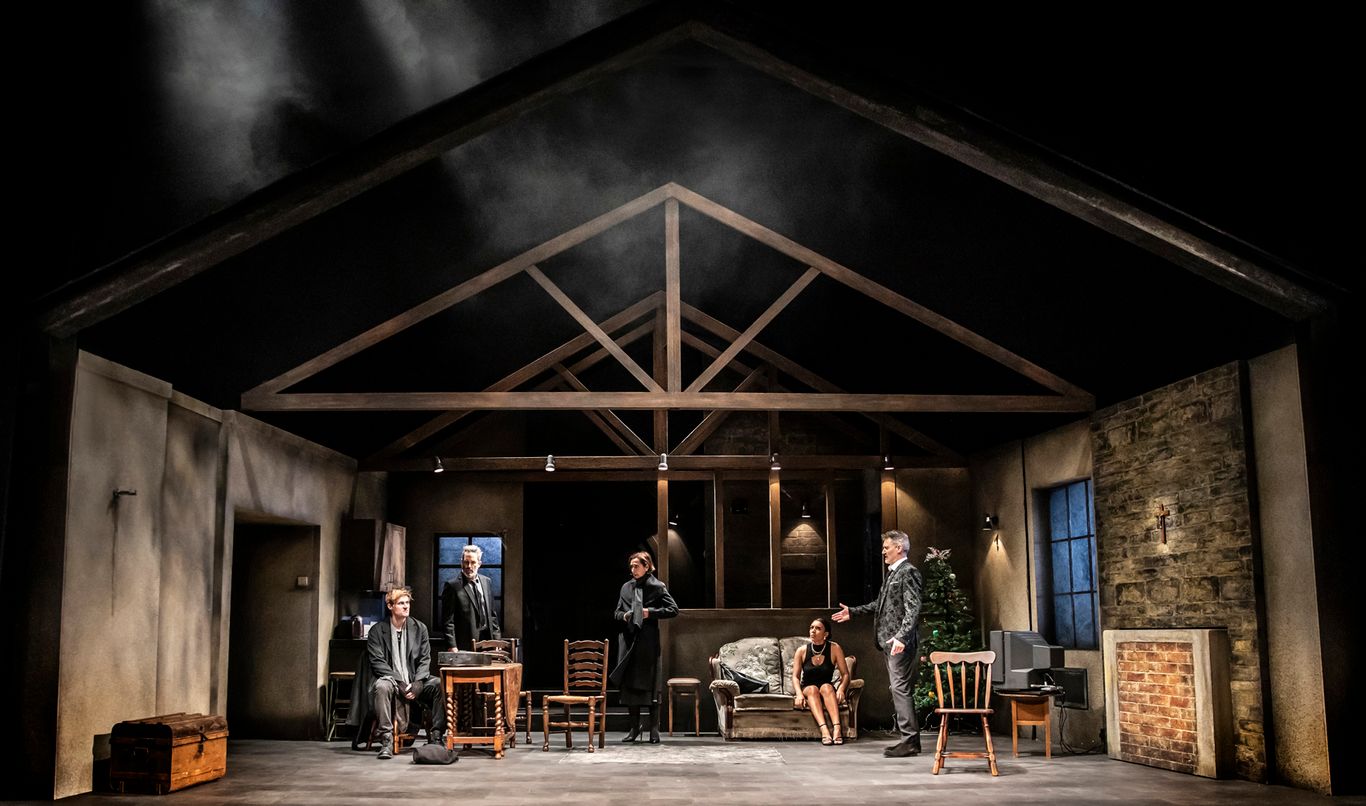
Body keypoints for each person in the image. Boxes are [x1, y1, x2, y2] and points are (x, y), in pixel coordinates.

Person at [832, 529, 923, 758]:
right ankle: (908, 739)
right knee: (897, 688)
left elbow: (913, 609)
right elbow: (879, 604)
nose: (883, 551)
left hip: (899, 643)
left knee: (900, 689)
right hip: (889, 642)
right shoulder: (893, 574)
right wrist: (853, 612)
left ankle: (910, 741)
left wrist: (902, 637)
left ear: (899, 548)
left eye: (886, 547)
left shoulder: (908, 572)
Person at [366, 586, 446, 759]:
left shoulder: (419, 628)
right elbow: (378, 663)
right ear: (390, 606)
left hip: (415, 679)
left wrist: (418, 683)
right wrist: (400, 683)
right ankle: (387, 740)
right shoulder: (377, 631)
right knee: (381, 687)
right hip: (391, 680)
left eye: (407, 603)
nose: (406, 606)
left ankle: (437, 736)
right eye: (401, 603)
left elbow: (425, 659)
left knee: (440, 684)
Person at [609, 551, 678, 743]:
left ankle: (654, 729)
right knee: (630, 686)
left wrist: (650, 612)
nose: (633, 569)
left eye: (636, 566)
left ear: (647, 566)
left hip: (647, 642)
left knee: (650, 684)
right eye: (631, 566)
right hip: (628, 641)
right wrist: (624, 616)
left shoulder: (657, 587)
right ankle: (634, 728)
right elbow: (616, 612)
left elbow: (673, 610)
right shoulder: (626, 587)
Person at [791, 616, 851, 746]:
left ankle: (837, 728)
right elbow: (795, 676)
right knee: (813, 689)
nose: (813, 631)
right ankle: (824, 730)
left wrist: (841, 689)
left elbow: (845, 674)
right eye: (811, 628)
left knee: (826, 687)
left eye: (818, 628)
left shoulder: (834, 648)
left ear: (826, 634)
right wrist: (799, 694)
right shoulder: (802, 651)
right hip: (808, 687)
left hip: (826, 686)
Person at [441, 545, 501, 650]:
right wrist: (452, 645)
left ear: (479, 564)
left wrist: (497, 641)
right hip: (465, 643)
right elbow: (448, 620)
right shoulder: (452, 586)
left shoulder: (486, 582)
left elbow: (492, 615)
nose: (469, 566)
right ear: (461, 563)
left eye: (473, 562)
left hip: (488, 641)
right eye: (466, 562)